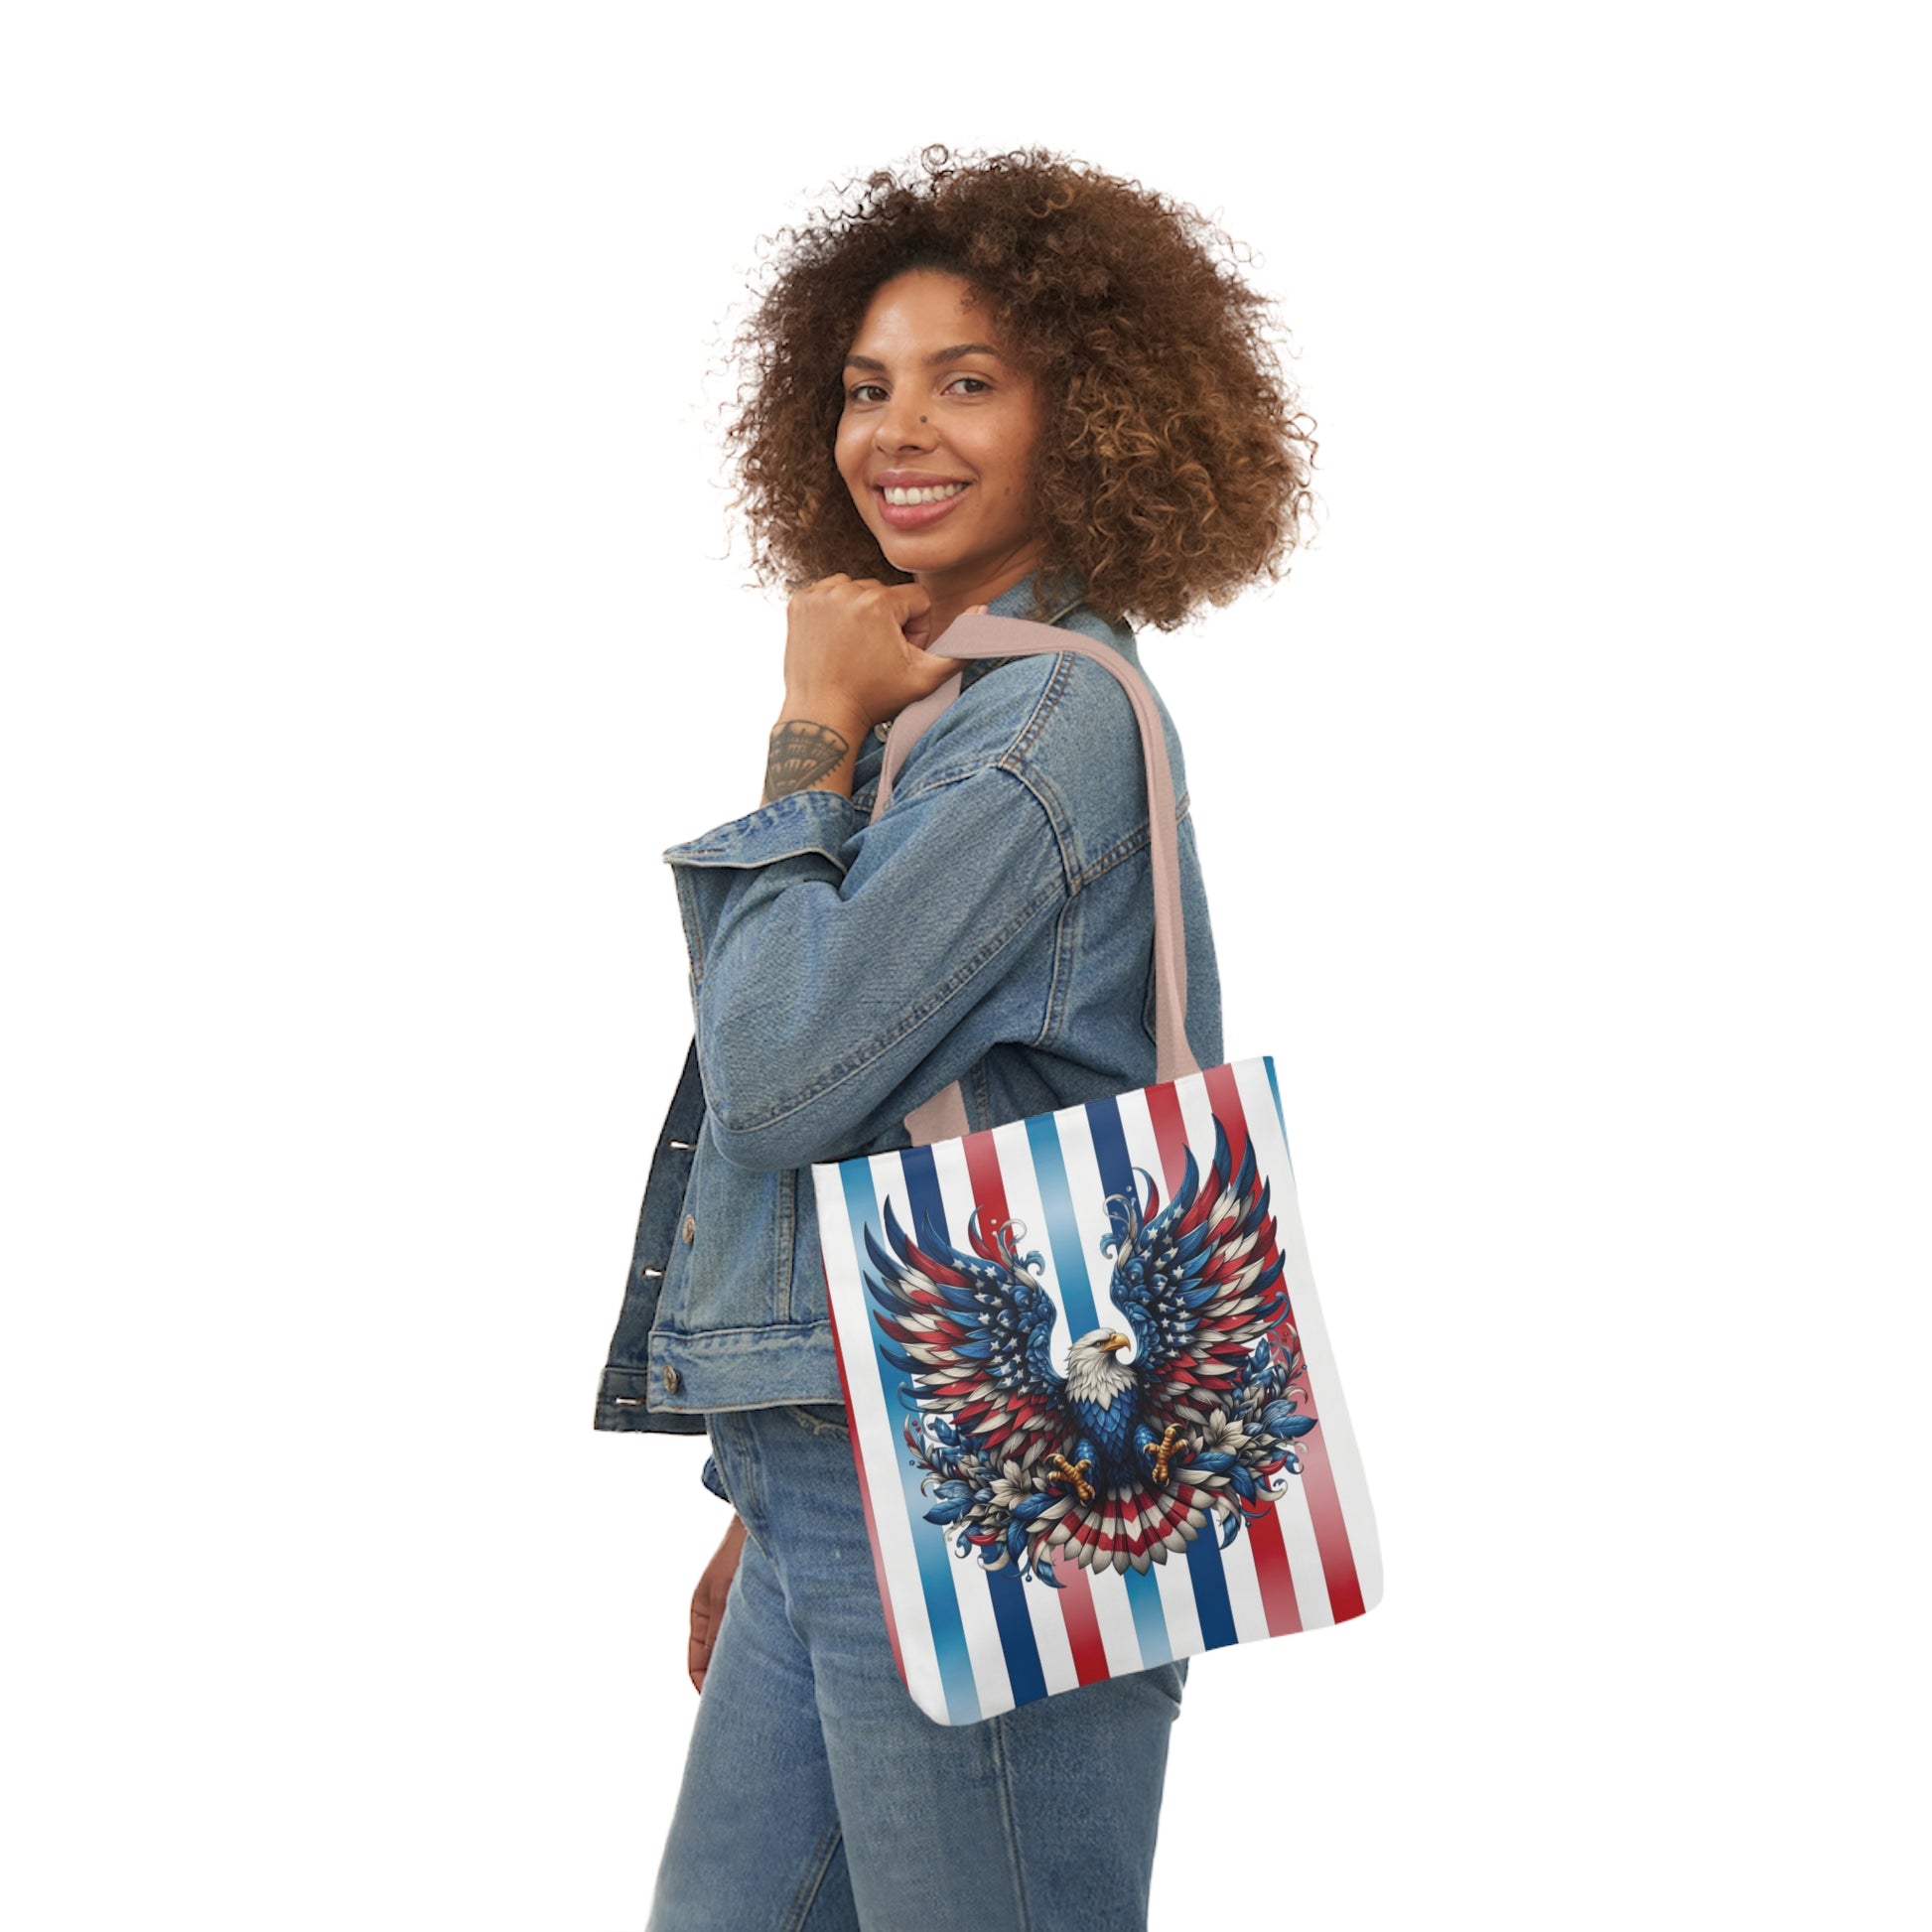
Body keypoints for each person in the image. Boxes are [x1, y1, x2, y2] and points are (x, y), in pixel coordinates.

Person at [593, 147, 1314, 1931]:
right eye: (864, 388)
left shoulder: (1040, 725)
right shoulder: (958, 702)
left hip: (996, 1469)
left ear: (1095, 416)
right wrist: (766, 1487)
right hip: (845, 1457)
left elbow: (782, 1077)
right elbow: (881, 1131)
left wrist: (806, 733)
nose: (895, 432)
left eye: (966, 382)